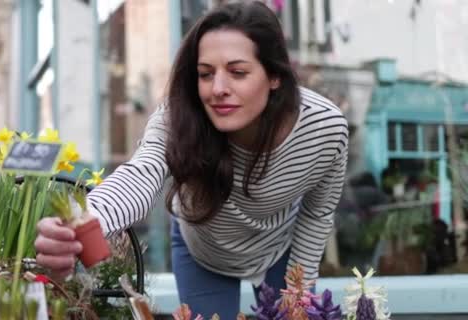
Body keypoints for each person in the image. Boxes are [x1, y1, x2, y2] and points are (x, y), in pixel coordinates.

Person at [34, 1, 348, 318]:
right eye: (205, 74)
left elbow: (317, 213)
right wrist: (84, 221)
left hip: (279, 246)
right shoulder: (177, 117)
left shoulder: (324, 128)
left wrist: (299, 296)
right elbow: (141, 176)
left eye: (238, 72)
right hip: (203, 250)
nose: (218, 89)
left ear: (275, 76)